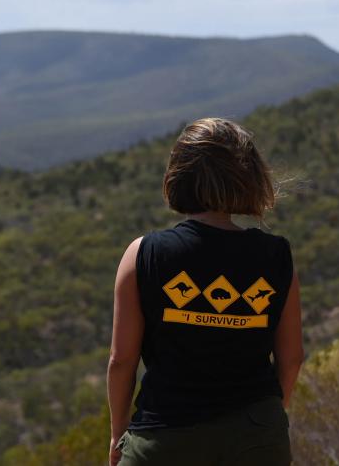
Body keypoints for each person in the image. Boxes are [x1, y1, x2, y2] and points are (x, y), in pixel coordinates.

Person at [106, 118, 304, 466]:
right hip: (257, 435)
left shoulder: (144, 253)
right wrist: (267, 418)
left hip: (164, 437)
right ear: (249, 176)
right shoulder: (277, 255)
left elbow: (121, 360)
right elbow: (291, 358)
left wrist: (117, 433)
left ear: (179, 174)